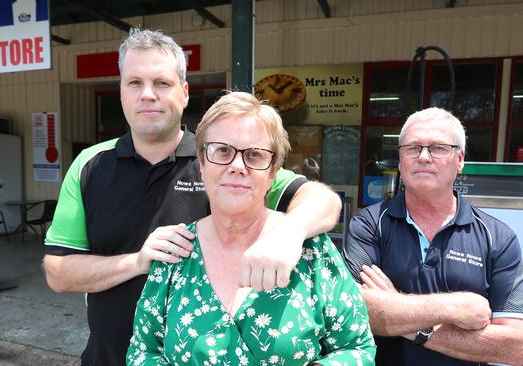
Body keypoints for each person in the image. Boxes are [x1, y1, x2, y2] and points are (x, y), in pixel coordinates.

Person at [42, 29, 341, 366]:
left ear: (184, 93)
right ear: (122, 92)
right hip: (106, 358)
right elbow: (58, 272)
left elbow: (323, 200)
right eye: (135, 83)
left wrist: (290, 232)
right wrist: (137, 262)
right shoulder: (89, 165)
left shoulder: (219, 159)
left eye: (162, 83)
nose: (148, 95)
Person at [126, 91, 376, 365]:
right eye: (222, 151)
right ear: (201, 164)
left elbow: (357, 348)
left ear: (272, 172)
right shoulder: (176, 251)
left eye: (254, 155)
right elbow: (143, 352)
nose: (236, 166)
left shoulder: (309, 250)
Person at [343, 107, 523, 366]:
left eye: (438, 148)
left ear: (460, 159)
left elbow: (515, 347)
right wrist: (454, 307)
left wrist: (396, 307)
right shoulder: (369, 224)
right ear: (400, 160)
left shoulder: (497, 237)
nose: (423, 157)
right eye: (412, 148)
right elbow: (354, 311)